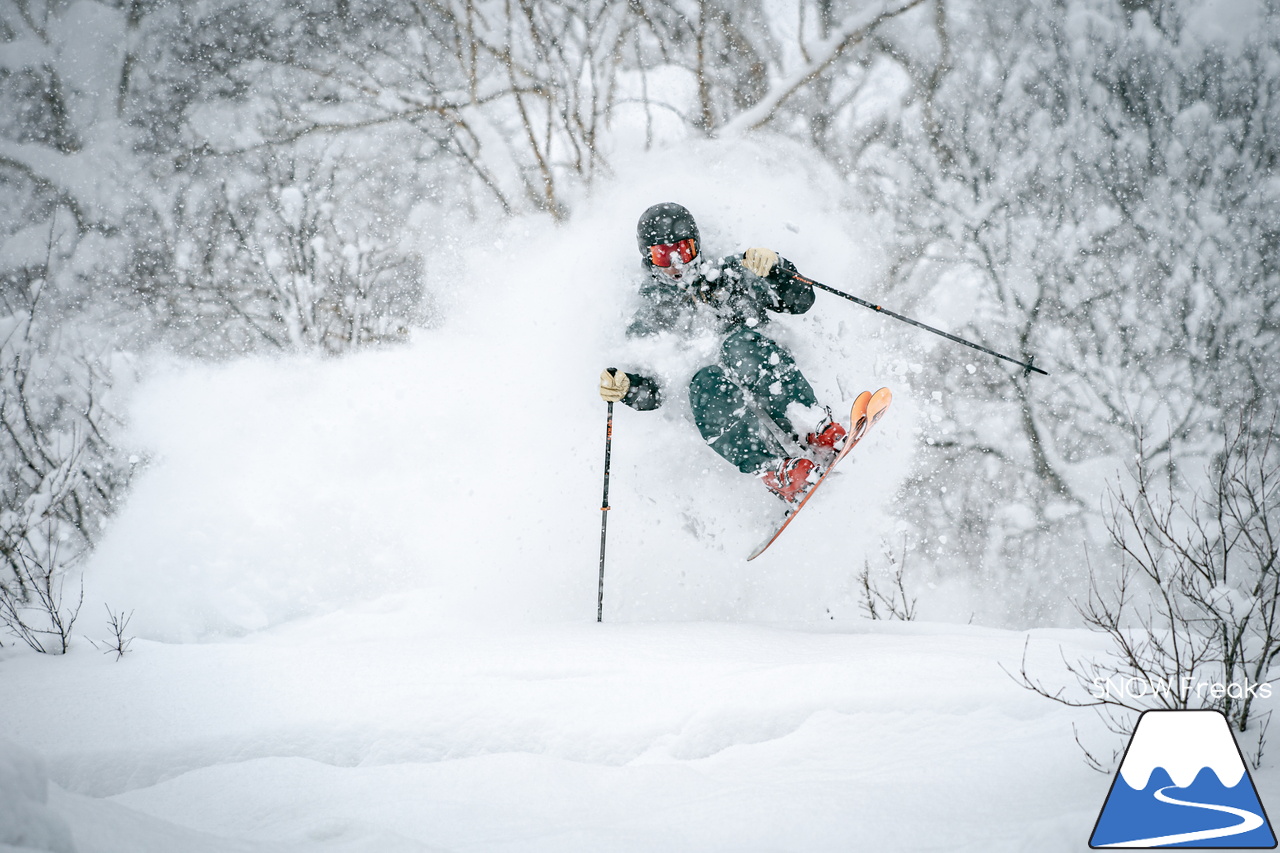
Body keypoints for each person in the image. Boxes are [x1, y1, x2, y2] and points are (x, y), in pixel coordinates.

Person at [599, 202, 847, 504]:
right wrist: (628, 388)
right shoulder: (651, 316)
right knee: (704, 381)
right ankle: (776, 470)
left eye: (684, 250)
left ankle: (813, 427)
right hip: (724, 412)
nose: (677, 263)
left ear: (697, 245)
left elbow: (800, 301)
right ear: (649, 259)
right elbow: (655, 392)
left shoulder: (728, 276)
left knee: (738, 344)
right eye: (663, 255)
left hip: (770, 376)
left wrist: (776, 271)